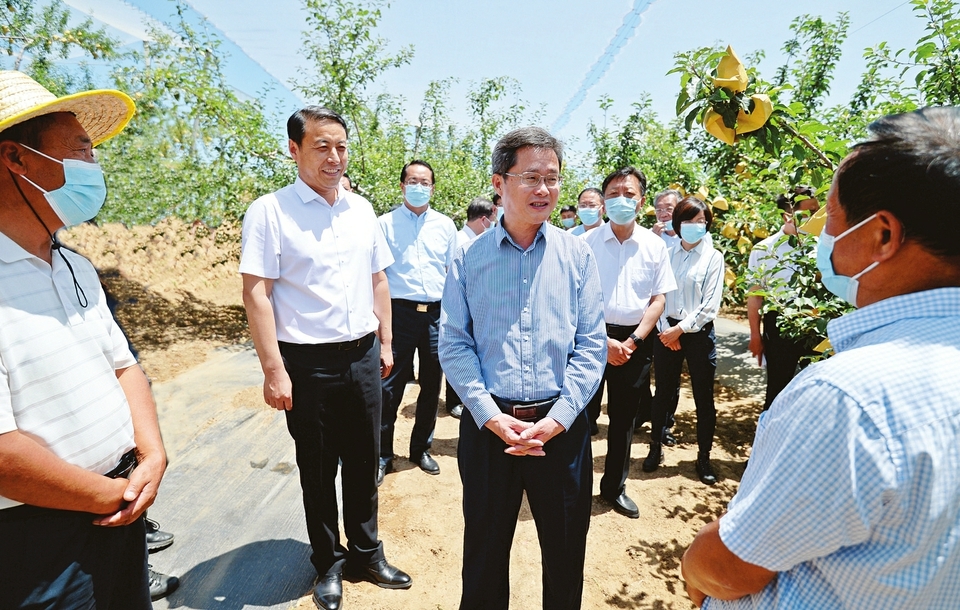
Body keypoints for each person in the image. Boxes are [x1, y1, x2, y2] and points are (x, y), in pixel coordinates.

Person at [681, 107, 960, 608]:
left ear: (882, 235)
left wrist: (693, 567)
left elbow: (731, 565)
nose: (821, 236)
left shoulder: (848, 398)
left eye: (830, 218)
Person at [0, 70, 167, 608]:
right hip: (41, 541)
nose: (93, 168)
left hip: (121, 512)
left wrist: (152, 455)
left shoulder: (74, 266)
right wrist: (111, 494)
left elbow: (124, 367)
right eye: (81, 152)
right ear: (15, 159)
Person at [240, 106, 411, 610]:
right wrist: (274, 370)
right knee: (317, 467)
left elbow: (379, 279)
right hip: (306, 363)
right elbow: (257, 295)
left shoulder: (361, 211)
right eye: (322, 146)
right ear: (294, 150)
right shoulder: (269, 212)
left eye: (341, 146)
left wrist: (385, 342)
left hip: (361, 355)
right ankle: (328, 563)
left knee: (364, 460)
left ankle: (366, 553)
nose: (334, 157)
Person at [440, 126, 605, 610]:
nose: (544, 190)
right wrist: (490, 416)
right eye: (531, 177)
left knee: (565, 553)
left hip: (562, 428)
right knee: (485, 558)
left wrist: (558, 419)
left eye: (552, 179)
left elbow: (591, 346)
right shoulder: (470, 257)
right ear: (499, 182)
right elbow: (453, 342)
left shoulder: (577, 255)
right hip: (491, 430)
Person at [583, 166, 675, 519]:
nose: (621, 199)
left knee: (623, 420)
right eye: (614, 193)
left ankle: (613, 488)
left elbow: (658, 300)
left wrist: (633, 340)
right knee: (579, 418)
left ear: (641, 202)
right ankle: (574, 485)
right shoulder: (586, 243)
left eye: (630, 193)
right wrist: (603, 340)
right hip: (591, 338)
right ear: (604, 202)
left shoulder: (654, 246)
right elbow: (575, 298)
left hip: (636, 341)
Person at [378, 160, 457, 482]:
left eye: (425, 182)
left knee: (430, 388)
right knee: (389, 388)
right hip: (398, 315)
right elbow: (377, 275)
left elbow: (454, 274)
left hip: (436, 316)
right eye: (413, 180)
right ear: (401, 185)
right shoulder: (384, 224)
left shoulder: (445, 225)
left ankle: (420, 449)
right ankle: (382, 454)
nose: (419, 186)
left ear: (433, 187)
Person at [643, 196, 725, 485]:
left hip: (698, 333)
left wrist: (681, 330)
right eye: (690, 221)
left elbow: (710, 305)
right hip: (667, 330)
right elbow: (658, 293)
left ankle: (704, 456)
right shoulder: (667, 252)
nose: (695, 226)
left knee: (704, 397)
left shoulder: (713, 257)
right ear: (678, 224)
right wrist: (666, 329)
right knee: (663, 392)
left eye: (701, 221)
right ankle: (655, 447)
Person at [746, 185, 820, 411]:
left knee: (815, 391)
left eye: (817, 211)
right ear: (788, 215)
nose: (816, 217)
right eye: (809, 212)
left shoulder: (822, 247)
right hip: (779, 325)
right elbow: (755, 296)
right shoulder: (763, 249)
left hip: (815, 323)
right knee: (778, 392)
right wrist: (755, 336)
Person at [446, 196, 498, 420]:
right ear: (484, 220)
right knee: (459, 347)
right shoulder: (462, 243)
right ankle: (455, 400)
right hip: (460, 304)